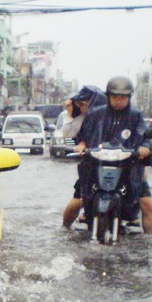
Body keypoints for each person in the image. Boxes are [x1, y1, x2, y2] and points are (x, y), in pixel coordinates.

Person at [74, 76, 152, 229]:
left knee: (147, 204)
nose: (119, 101)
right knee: (77, 200)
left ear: (129, 97)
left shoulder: (135, 116)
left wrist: (144, 147)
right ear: (108, 97)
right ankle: (66, 229)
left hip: (128, 165)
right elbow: (83, 136)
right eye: (115, 97)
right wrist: (82, 145)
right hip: (97, 166)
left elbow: (144, 136)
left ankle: (151, 243)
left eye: (123, 97)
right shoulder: (95, 114)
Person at [61, 85, 107, 228]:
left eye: (84, 105)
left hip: (115, 163)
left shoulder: (111, 116)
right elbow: (68, 133)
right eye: (79, 105)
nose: (81, 108)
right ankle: (65, 228)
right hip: (91, 163)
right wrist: (69, 113)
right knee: (78, 199)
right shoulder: (81, 117)